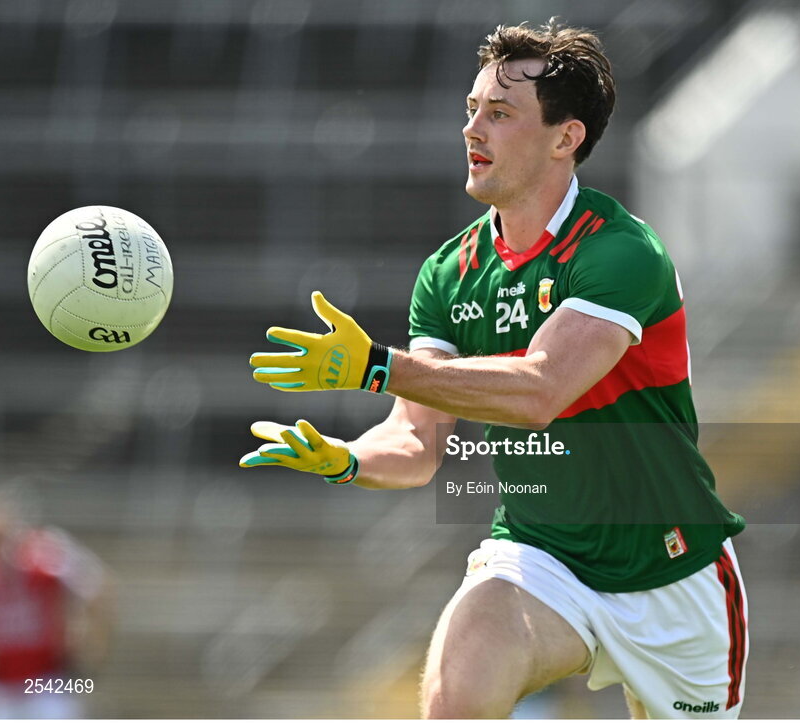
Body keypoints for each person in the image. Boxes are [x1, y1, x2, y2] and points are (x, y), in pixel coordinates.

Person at [241, 19, 748, 719]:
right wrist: (345, 457)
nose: (472, 129)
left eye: (500, 113)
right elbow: (417, 444)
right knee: (457, 692)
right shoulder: (449, 273)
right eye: (471, 109)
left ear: (565, 138)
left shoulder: (621, 252)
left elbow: (540, 389)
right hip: (543, 558)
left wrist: (377, 366)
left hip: (673, 573)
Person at [0, 487, 114, 719]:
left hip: (46, 681)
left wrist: (90, 641)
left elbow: (98, 588)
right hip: (0, 683)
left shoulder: (45, 556)